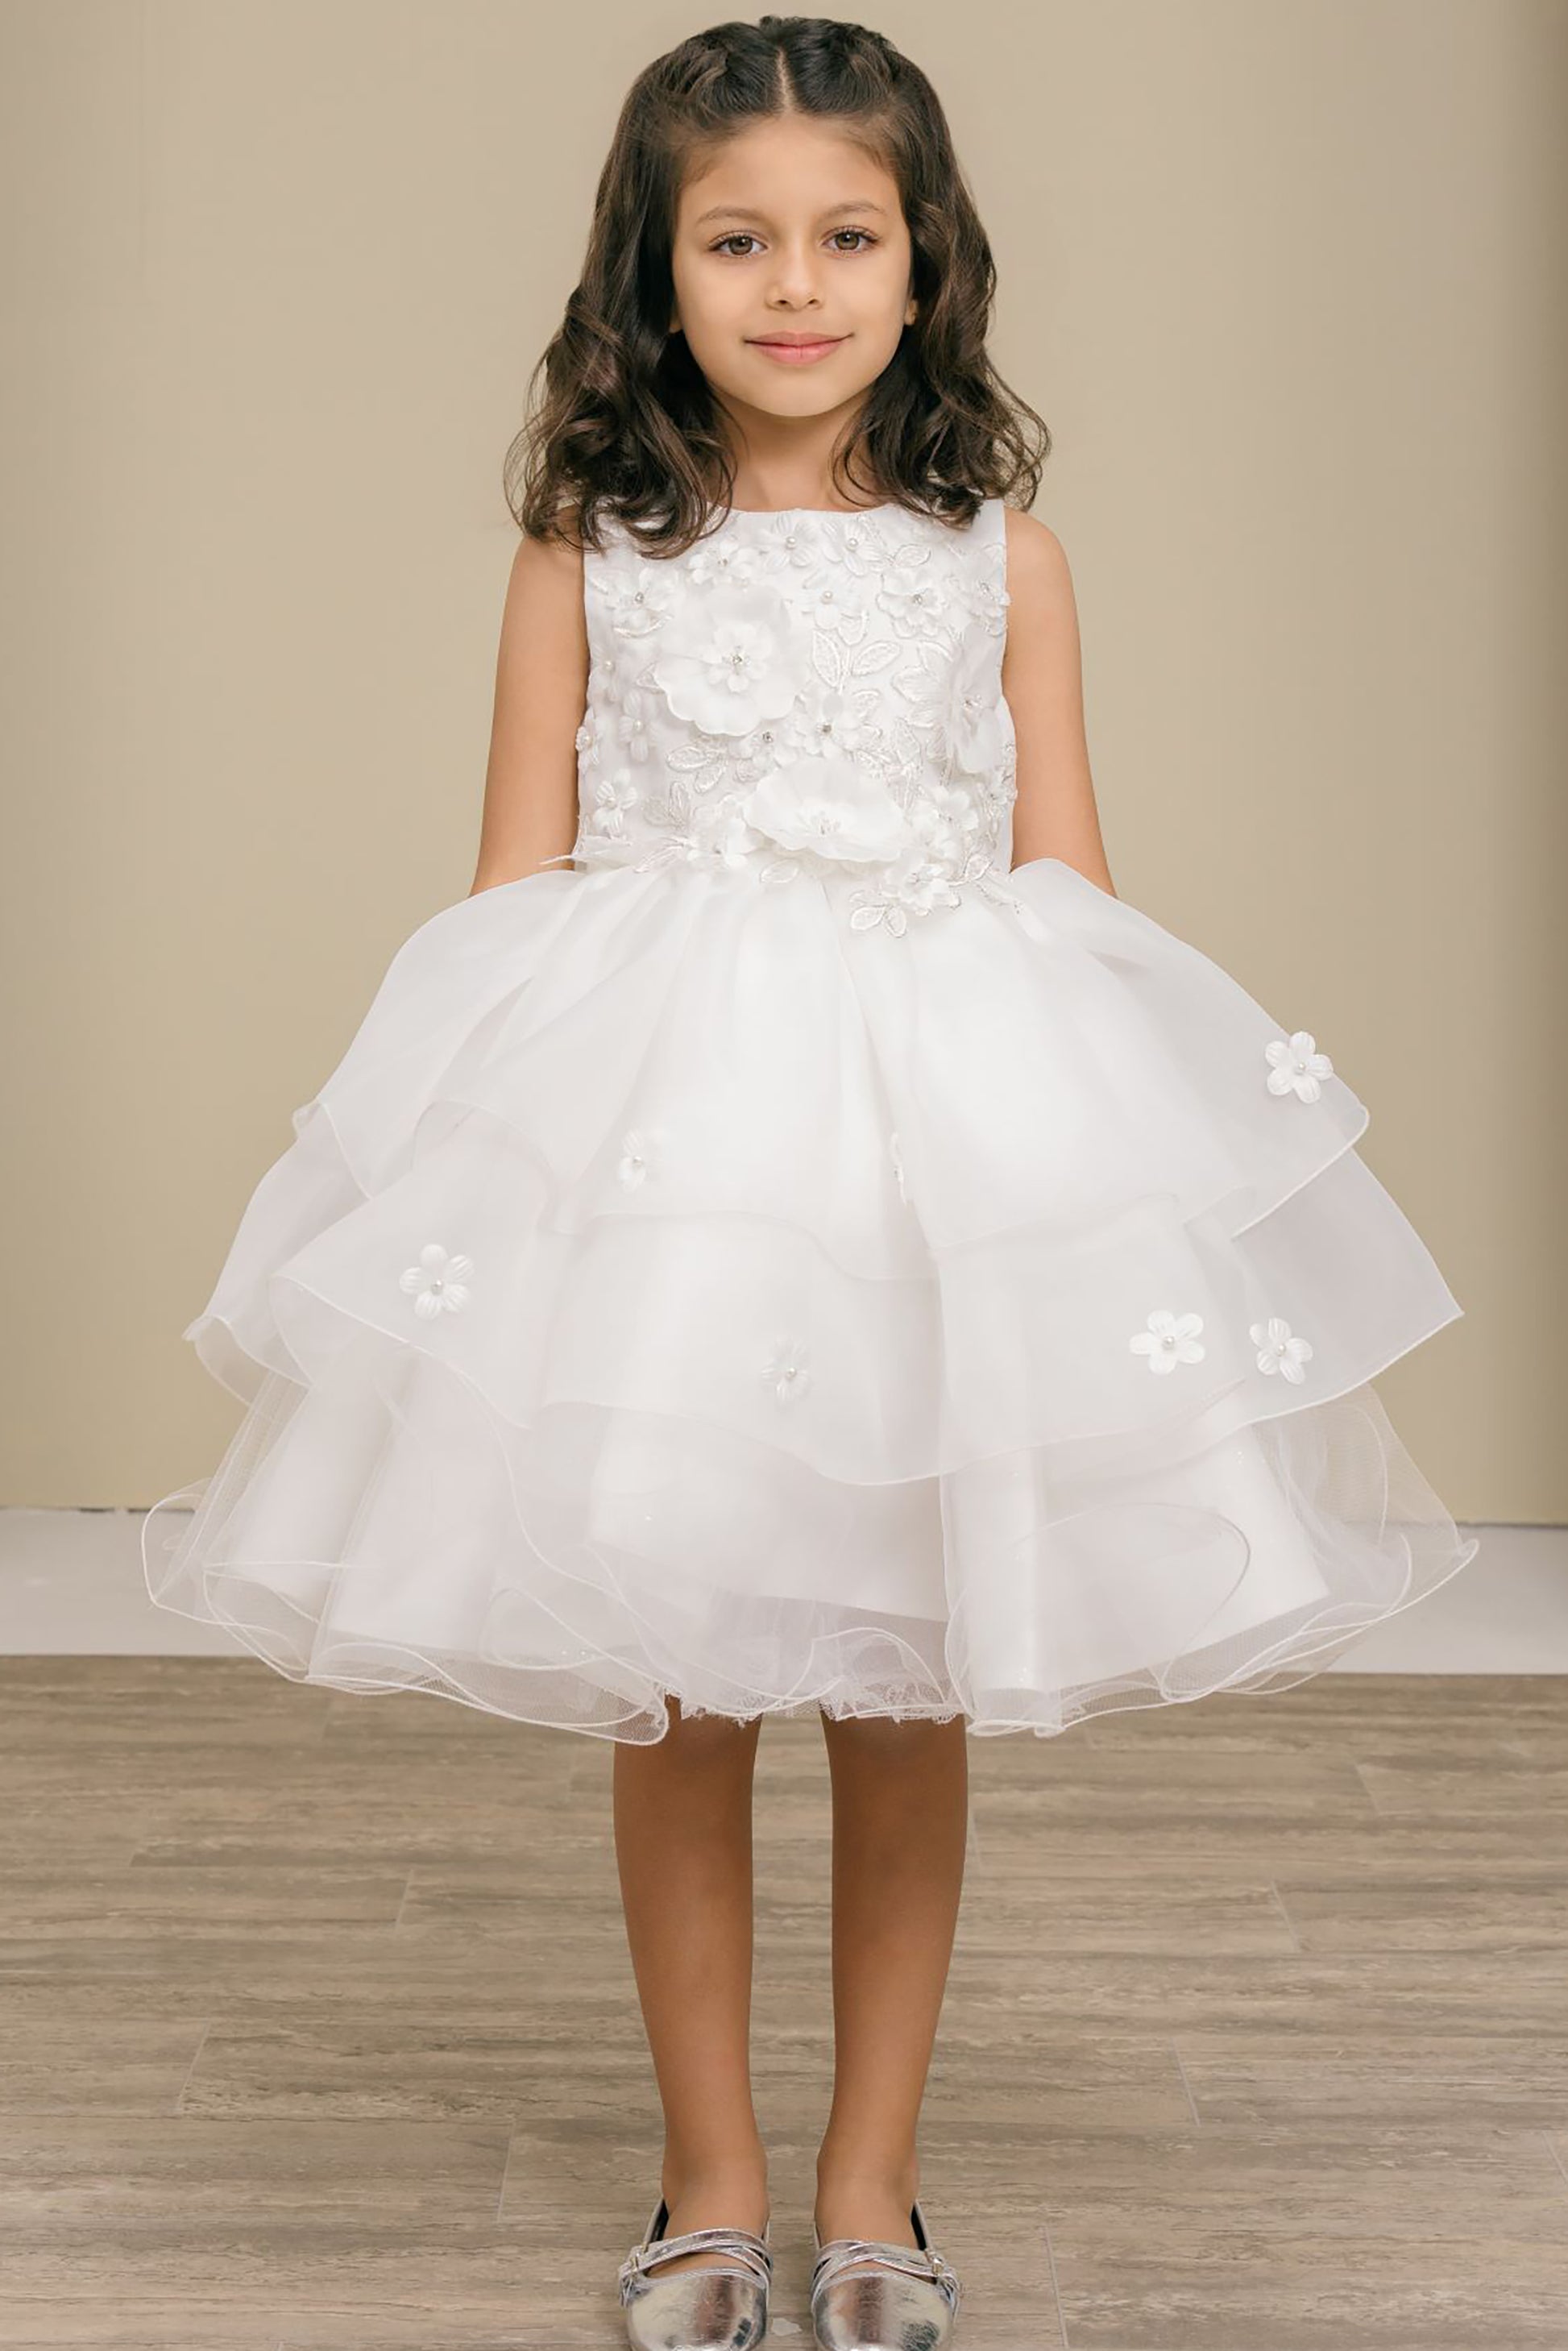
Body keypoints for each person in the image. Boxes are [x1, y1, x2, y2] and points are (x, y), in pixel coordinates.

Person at [142, 16, 1480, 2349]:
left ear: (924, 258)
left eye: (842, 236)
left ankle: (875, 2187)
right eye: (735, 240)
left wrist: (1076, 1156)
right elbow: (508, 898)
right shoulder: (593, 558)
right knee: (674, 1681)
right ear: (652, 279)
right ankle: (705, 2181)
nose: (792, 283)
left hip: (925, 1167)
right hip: (670, 1167)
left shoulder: (1003, 560)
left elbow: (1066, 885)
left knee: (906, 1679)